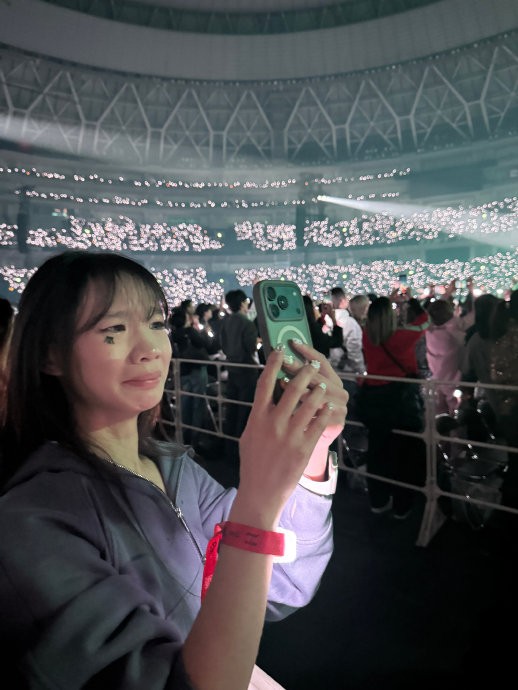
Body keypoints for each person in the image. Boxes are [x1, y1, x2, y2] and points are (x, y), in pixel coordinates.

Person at [0, 250, 348, 689]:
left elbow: (281, 584)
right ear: (50, 356)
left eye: (157, 324)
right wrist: (257, 501)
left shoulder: (176, 471)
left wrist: (313, 450)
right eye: (113, 330)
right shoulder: (32, 523)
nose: (150, 349)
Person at [358, 291, 430, 517]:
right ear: (391, 317)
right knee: (405, 455)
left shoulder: (367, 335)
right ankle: (402, 505)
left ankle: (378, 501)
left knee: (378, 453)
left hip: (374, 400)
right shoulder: (401, 337)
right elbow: (424, 321)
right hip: (400, 402)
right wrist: (412, 302)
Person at [219, 289, 260, 458]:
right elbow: (251, 348)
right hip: (247, 370)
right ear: (243, 303)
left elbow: (223, 346)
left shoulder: (226, 322)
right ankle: (240, 452)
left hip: (232, 369)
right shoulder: (247, 323)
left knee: (232, 409)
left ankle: (229, 449)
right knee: (245, 411)